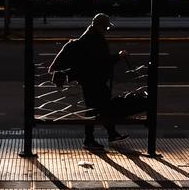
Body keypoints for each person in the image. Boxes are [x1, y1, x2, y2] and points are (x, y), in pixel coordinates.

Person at [48, 12, 129, 149]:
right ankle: (90, 140)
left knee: (102, 107)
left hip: (92, 79)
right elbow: (100, 61)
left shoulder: (91, 37)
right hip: (92, 79)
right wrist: (118, 57)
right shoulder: (92, 39)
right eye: (106, 27)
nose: (106, 30)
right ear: (99, 26)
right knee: (94, 109)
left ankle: (110, 134)